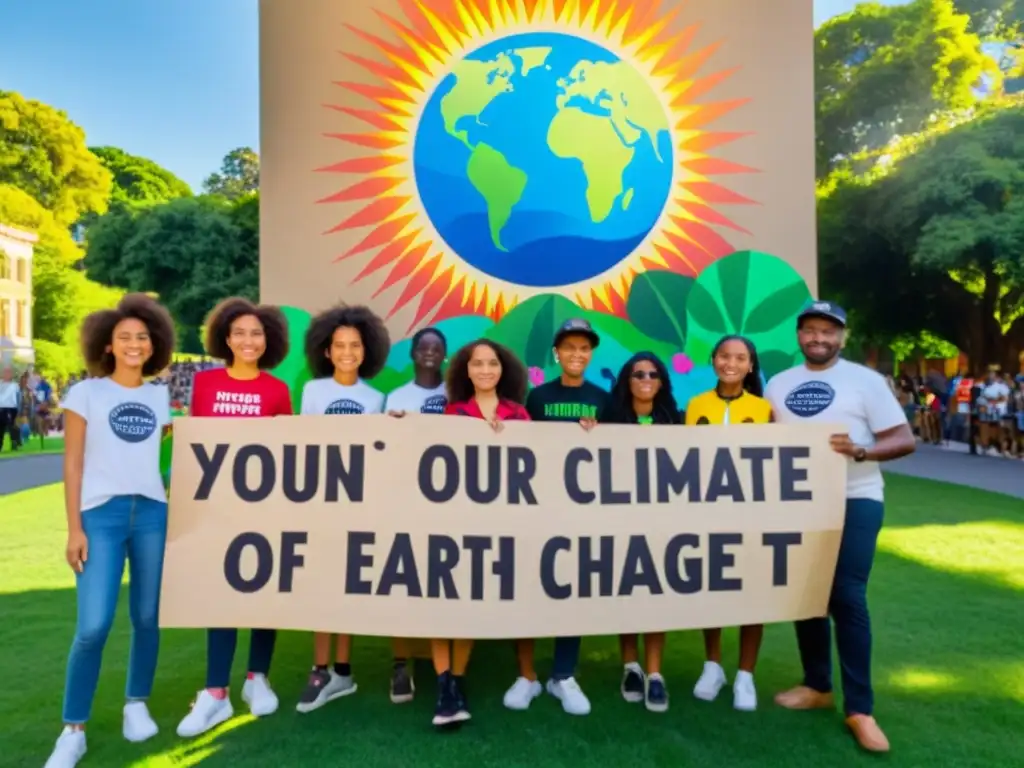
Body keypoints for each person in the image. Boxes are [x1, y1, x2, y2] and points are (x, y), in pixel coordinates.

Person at [764, 301, 915, 754]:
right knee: (806, 594)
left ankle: (860, 709)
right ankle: (817, 686)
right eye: (810, 330)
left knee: (846, 596)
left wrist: (861, 452)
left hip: (856, 499)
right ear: (799, 336)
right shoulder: (779, 383)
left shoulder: (865, 381)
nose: (818, 338)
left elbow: (904, 439)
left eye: (828, 331)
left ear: (842, 338)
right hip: (798, 503)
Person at [44, 294, 176, 768]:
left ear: (154, 343)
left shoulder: (160, 396)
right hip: (100, 516)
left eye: (142, 337)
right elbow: (73, 462)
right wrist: (73, 527)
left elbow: (169, 451)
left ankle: (135, 703)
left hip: (153, 513)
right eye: (125, 338)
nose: (134, 344)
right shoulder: (87, 393)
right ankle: (72, 728)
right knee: (93, 625)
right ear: (107, 345)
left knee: (147, 616)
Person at [176, 298, 293, 738]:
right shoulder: (204, 384)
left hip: (265, 510)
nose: (249, 341)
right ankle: (215, 693)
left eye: (257, 333)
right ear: (226, 338)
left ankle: (257, 677)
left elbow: (288, 453)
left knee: (265, 590)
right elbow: (195, 447)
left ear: (269, 341)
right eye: (240, 333)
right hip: (216, 510)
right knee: (220, 596)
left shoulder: (277, 390)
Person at [503, 319, 608, 717]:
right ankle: (526, 675)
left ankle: (563, 674)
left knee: (571, 591)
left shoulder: (603, 399)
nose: (577, 354)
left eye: (584, 348)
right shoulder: (538, 397)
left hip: (581, 514)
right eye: (569, 348)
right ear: (556, 354)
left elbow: (620, 454)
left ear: (590, 354)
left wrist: (599, 435)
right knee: (528, 589)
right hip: (537, 510)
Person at [295, 304, 390, 714]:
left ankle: (344, 671)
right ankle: (319, 668)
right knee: (321, 586)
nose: (347, 352)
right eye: (339, 345)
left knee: (347, 584)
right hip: (320, 503)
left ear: (365, 351)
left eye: (355, 345)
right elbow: (302, 446)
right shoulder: (313, 391)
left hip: (359, 505)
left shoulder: (376, 398)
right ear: (326, 351)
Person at [433, 338, 530, 728]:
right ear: (466, 370)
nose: (485, 370)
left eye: (492, 363)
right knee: (441, 604)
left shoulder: (520, 415)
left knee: (470, 604)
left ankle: (458, 678)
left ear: (502, 369)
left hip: (496, 526)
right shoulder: (450, 412)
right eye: (478, 364)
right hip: (453, 522)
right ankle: (443, 686)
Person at [687, 335, 772, 711]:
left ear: (751, 365)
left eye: (740, 357)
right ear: (713, 360)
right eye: (724, 356)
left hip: (752, 516)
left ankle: (745, 675)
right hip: (707, 514)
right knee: (713, 591)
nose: (731, 363)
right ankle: (713, 666)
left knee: (752, 594)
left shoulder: (764, 408)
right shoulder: (696, 405)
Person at [600, 351, 681, 713]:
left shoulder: (676, 423)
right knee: (627, 594)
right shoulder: (610, 419)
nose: (645, 379)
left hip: (662, 524)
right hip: (619, 522)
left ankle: (655, 674)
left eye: (653, 373)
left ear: (662, 381)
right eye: (637, 374)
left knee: (657, 598)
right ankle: (630, 666)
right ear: (626, 381)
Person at [382, 326, 448, 705]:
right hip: (407, 503)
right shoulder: (397, 397)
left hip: (451, 505)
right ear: (412, 354)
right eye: (422, 347)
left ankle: (449, 667)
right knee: (404, 582)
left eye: (436, 348)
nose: (428, 353)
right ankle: (401, 662)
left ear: (445, 355)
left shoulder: (457, 394)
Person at [0, 365, 20, 451]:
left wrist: (19, 408)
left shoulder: (15, 385)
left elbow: (18, 397)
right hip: (1, 408)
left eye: (9, 372)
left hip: (11, 408)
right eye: (5, 372)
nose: (7, 374)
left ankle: (14, 442)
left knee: (12, 426)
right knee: (1, 428)